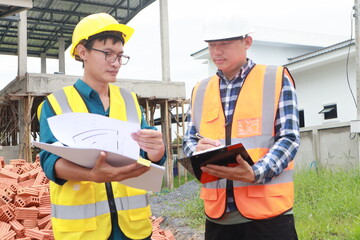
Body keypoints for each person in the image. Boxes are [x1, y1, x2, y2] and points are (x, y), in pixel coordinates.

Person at [37, 13, 166, 240]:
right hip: (84, 232)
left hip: (133, 230)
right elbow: (50, 162)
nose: (115, 63)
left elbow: (146, 153)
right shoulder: (57, 103)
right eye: (107, 54)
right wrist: (93, 175)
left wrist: (157, 152)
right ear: (82, 52)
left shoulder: (129, 101)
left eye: (120, 56)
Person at [183, 12, 300, 240]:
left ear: (247, 42)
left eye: (224, 44)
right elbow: (189, 139)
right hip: (218, 217)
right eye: (211, 44)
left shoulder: (275, 78)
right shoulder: (200, 90)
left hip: (268, 215)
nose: (216, 51)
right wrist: (195, 150)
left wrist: (256, 172)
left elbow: (289, 138)